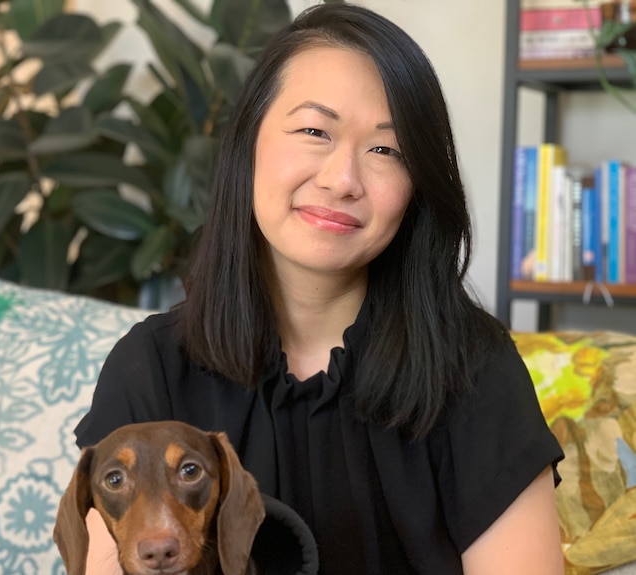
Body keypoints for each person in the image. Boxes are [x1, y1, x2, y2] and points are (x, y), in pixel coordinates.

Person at [74, 2, 565, 573]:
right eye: (314, 130)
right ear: (249, 142)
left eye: (386, 149)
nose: (342, 179)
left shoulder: (474, 368)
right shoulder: (151, 367)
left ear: (418, 183)